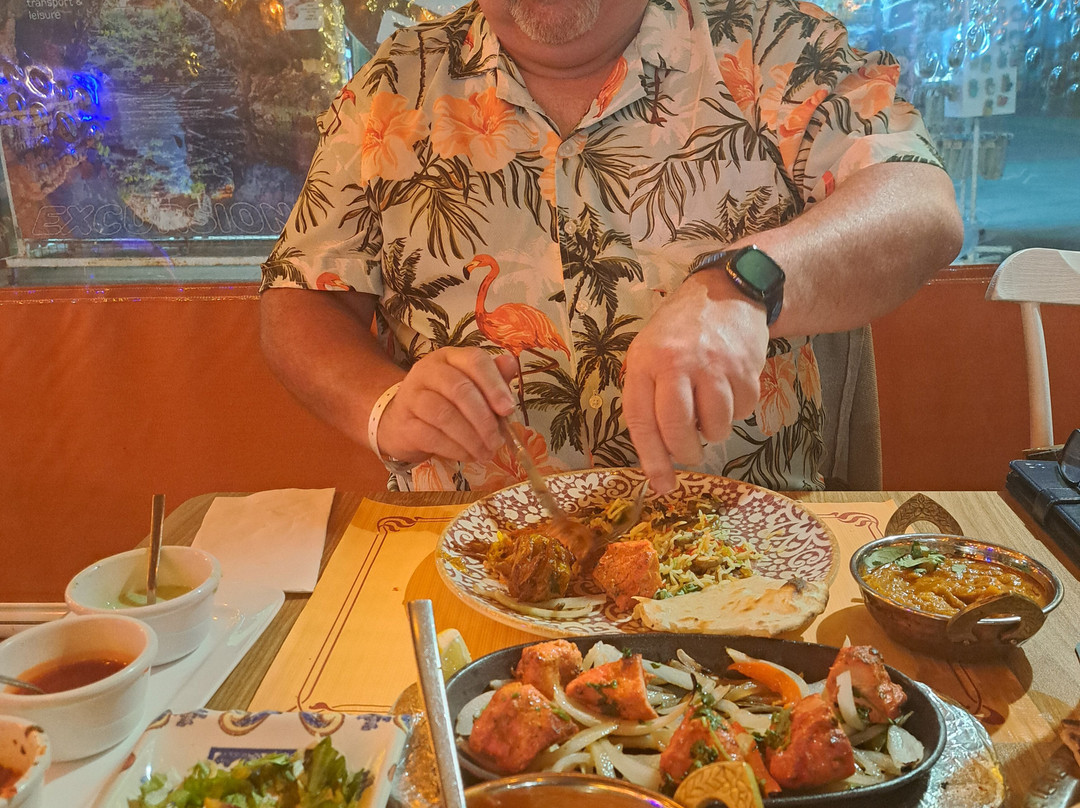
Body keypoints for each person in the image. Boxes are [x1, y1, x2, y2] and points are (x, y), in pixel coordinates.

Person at [259, 0, 963, 495]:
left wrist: (743, 284)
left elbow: (919, 201)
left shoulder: (772, 41)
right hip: (471, 545)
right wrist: (383, 405)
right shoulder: (391, 85)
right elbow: (300, 299)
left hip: (745, 545)